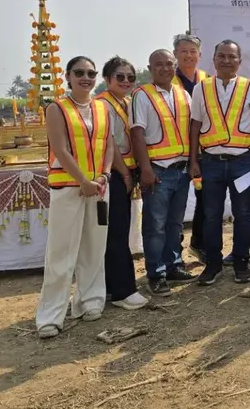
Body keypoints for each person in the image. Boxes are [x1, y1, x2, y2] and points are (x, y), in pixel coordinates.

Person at [36, 56, 114, 339]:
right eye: (79, 72)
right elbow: (60, 148)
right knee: (61, 252)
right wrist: (83, 181)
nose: (86, 78)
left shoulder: (102, 107)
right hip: (69, 186)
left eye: (91, 73)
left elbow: (109, 145)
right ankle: (50, 315)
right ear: (68, 76)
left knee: (94, 247)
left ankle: (90, 300)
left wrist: (104, 176)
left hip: (98, 188)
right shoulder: (57, 108)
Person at [189, 40, 250, 284]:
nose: (226, 60)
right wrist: (193, 159)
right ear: (213, 59)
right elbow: (195, 124)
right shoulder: (201, 88)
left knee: (243, 214)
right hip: (210, 161)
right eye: (221, 56)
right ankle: (213, 263)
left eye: (232, 56)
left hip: (242, 162)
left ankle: (241, 260)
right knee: (211, 215)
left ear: (239, 61)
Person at [131, 49, 197, 296]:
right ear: (150, 68)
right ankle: (156, 274)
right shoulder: (142, 95)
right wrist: (145, 169)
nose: (165, 68)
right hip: (158, 171)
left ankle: (174, 266)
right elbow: (137, 134)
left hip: (181, 170)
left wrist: (192, 163)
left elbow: (191, 131)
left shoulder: (183, 94)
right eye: (159, 64)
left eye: (169, 64)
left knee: (175, 224)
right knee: (155, 226)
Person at [95, 57, 148, 310]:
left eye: (130, 77)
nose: (126, 81)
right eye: (120, 77)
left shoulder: (127, 102)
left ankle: (109, 286)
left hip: (126, 172)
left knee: (118, 230)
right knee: (116, 232)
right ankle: (122, 290)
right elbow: (110, 144)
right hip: (115, 173)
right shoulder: (102, 104)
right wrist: (125, 174)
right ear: (107, 79)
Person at [171, 34, 209, 261]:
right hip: (176, 152)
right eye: (183, 51)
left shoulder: (207, 80)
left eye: (192, 51)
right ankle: (173, 253)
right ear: (175, 54)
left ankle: (198, 243)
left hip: (204, 151)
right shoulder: (168, 81)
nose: (188, 55)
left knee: (205, 199)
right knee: (175, 205)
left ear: (199, 55)